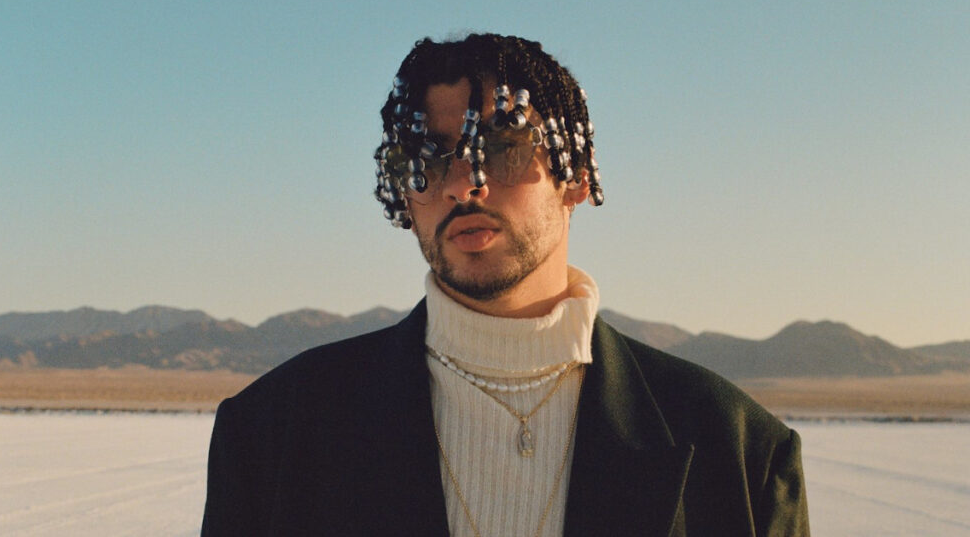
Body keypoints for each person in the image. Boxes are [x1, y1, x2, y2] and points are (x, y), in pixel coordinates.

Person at [201, 33, 810, 536]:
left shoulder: (739, 452)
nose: (463, 184)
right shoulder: (273, 434)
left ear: (575, 176)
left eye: (503, 149)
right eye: (425, 158)